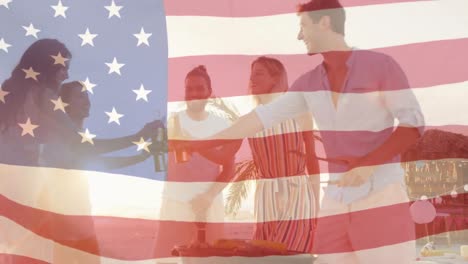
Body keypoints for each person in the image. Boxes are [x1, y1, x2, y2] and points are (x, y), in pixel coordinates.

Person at [177, 0, 425, 263]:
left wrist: (367, 164)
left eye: (304, 26)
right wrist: (198, 144)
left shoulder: (380, 66)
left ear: (325, 23)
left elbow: (413, 124)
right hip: (337, 200)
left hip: (380, 195)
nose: (299, 35)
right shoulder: (308, 84)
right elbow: (260, 118)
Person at [0, 39, 160, 263]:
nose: (65, 75)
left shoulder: (10, 95)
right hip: (31, 197)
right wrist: (136, 138)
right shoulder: (43, 96)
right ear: (47, 67)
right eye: (62, 68)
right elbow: (81, 146)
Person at [154, 65, 240, 258]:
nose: (194, 93)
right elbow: (157, 162)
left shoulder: (221, 125)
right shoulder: (171, 122)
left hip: (209, 206)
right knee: (168, 260)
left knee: (210, 260)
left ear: (209, 92)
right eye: (189, 89)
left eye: (200, 88)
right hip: (175, 205)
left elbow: (229, 168)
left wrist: (208, 196)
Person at [247, 56, 319, 252]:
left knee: (290, 254)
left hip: (296, 194)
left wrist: (316, 204)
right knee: (264, 255)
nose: (252, 79)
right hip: (265, 199)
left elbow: (311, 158)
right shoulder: (253, 118)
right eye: (251, 74)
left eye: (259, 73)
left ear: (275, 78)